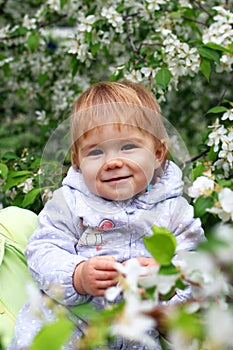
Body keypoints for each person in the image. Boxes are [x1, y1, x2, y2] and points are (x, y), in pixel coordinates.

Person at [8, 81, 204, 350]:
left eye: (128, 147)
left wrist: (166, 278)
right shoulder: (69, 203)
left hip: (138, 330)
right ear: (77, 161)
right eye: (96, 152)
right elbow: (43, 249)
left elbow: (196, 264)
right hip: (73, 321)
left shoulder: (173, 210)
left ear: (158, 153)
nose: (112, 161)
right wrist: (77, 276)